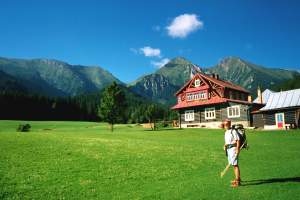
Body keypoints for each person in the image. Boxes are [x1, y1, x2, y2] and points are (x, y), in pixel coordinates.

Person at [223, 121, 241, 187]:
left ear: (228, 125)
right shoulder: (226, 132)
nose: (225, 126)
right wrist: (225, 146)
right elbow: (227, 141)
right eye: (224, 125)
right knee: (233, 165)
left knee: (235, 165)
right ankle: (238, 179)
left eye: (225, 125)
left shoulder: (233, 131)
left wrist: (237, 149)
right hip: (229, 149)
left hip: (233, 149)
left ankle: (237, 182)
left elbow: (238, 140)